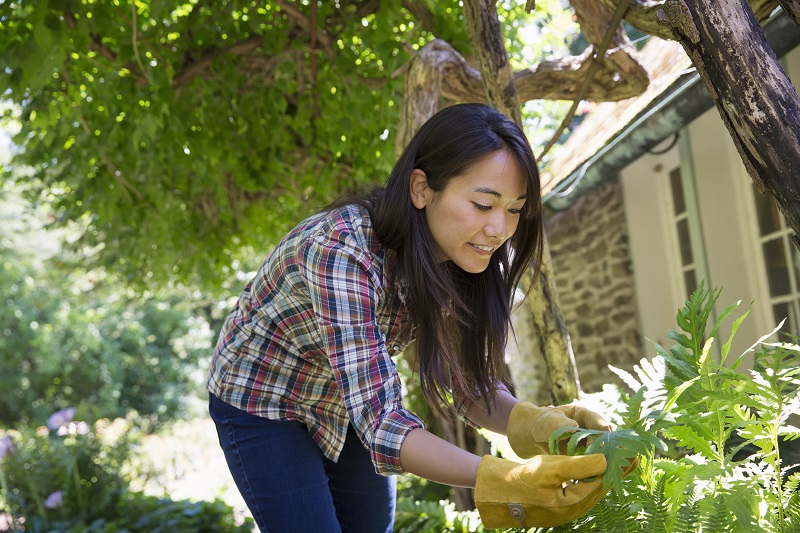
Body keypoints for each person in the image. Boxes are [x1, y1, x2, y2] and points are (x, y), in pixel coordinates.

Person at [207, 103, 616, 532]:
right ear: (421, 189)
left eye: (514, 209)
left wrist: (539, 424)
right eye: (482, 204)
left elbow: (467, 387)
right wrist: (506, 481)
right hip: (264, 399)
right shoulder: (340, 252)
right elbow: (383, 423)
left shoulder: (462, 255)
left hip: (350, 400)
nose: (500, 229)